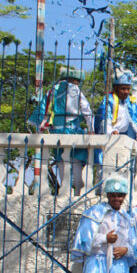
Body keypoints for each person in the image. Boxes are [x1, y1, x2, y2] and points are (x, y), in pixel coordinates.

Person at [28, 65, 93, 193]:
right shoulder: (75, 90)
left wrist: (41, 126)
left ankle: (65, 191)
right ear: (74, 80)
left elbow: (44, 110)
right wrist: (91, 129)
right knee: (76, 163)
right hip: (72, 130)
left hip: (56, 131)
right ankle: (78, 191)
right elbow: (87, 110)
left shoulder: (52, 91)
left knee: (61, 161)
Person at [95, 71, 137, 149]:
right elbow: (104, 119)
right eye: (123, 89)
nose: (126, 92)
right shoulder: (109, 100)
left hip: (126, 137)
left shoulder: (130, 103)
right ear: (115, 88)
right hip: (110, 137)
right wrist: (111, 131)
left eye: (128, 89)